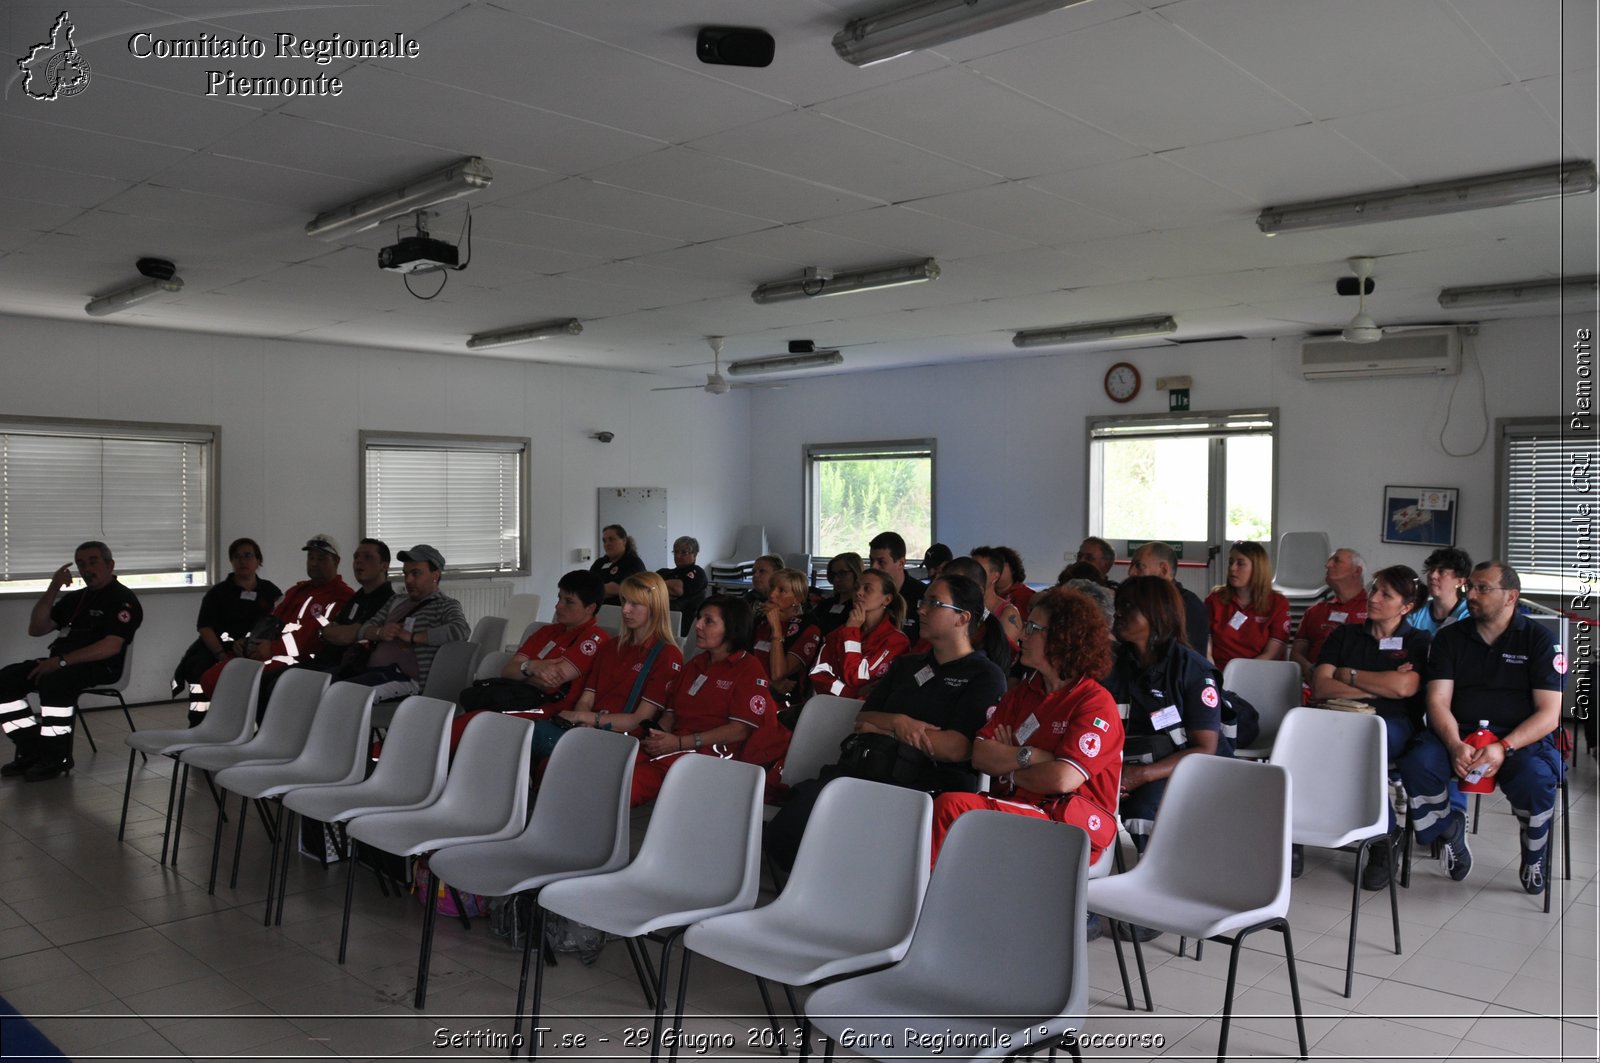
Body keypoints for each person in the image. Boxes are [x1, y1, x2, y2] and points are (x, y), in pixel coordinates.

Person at [767, 574, 1006, 871]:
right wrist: (901, 723)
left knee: (852, 824)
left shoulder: (983, 675)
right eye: (923, 601)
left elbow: (956, 748)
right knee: (802, 810)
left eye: (934, 603)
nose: (921, 609)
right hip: (868, 767)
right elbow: (864, 718)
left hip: (925, 784)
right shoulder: (908, 665)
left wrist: (888, 730)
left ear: (962, 618)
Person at [1398, 562, 1565, 893]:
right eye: (1469, 588)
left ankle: (1534, 853)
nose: (1471, 595)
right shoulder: (1449, 638)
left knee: (1537, 778)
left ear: (1511, 597)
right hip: (1457, 734)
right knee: (1417, 764)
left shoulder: (1539, 641)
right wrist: (1454, 744)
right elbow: (1438, 703)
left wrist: (1503, 748)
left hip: (1519, 740)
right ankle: (1449, 830)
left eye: (1482, 588)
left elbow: (1549, 715)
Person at [929, 587, 1124, 868]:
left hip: (1067, 826)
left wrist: (1008, 769)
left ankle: (924, 902)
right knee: (935, 808)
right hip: (1019, 810)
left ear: (1063, 638)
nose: (1022, 635)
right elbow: (981, 755)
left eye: (1032, 628)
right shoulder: (1025, 691)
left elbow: (1062, 780)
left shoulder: (1094, 703)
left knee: (953, 807)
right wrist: (1031, 756)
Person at [1312, 565, 1432, 889]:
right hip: (1337, 720)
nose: (1373, 597)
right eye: (1374, 589)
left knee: (1363, 751)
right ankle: (1294, 835)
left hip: (1391, 725)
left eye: (1385, 594)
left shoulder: (1418, 640)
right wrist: (1379, 685)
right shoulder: (1345, 635)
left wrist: (1348, 674)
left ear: (1406, 607)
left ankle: (1384, 838)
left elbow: (1405, 689)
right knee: (1300, 748)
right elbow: (1321, 686)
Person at [0, 542, 142, 781]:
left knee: (55, 681)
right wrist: (53, 587)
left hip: (101, 667)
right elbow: (37, 628)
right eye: (81, 564)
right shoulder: (77, 599)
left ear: (110, 564)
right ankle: (32, 747)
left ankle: (57, 758)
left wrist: (62, 662)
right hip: (61, 663)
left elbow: (111, 645)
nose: (87, 569)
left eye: (93, 562)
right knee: (6, 680)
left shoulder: (123, 600)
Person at [1105, 577, 1226, 857]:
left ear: (1155, 614)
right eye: (1117, 605)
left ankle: (1162, 873)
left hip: (1182, 769)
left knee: (1142, 809)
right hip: (1126, 763)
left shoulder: (1192, 670)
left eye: (1127, 606)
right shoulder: (1114, 662)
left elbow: (1205, 749)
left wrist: (1141, 775)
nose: (1118, 613)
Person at [189, 534, 354, 721]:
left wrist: (272, 649)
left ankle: (249, 735)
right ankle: (224, 730)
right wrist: (250, 643)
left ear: (337, 561)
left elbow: (312, 640)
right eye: (311, 557)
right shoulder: (297, 590)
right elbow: (271, 621)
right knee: (211, 677)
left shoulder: (342, 597)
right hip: (266, 652)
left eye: (321, 558)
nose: (314, 563)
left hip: (298, 659)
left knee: (237, 681)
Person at [629, 596, 775, 806]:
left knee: (633, 779)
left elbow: (739, 730)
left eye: (708, 621)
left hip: (715, 753)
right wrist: (658, 737)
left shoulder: (748, 669)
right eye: (699, 618)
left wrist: (678, 743)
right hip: (679, 745)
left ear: (731, 628)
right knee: (620, 762)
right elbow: (671, 714)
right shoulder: (696, 664)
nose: (697, 625)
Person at [544, 571, 683, 758]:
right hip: (591, 731)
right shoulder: (610, 646)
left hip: (623, 742)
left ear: (654, 607)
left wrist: (584, 718)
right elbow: (586, 700)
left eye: (634, 604)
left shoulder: (666, 655)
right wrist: (585, 723)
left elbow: (639, 720)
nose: (625, 609)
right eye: (624, 601)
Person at [170, 537, 283, 715]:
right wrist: (221, 654)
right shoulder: (217, 593)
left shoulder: (271, 592)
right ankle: (200, 721)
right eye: (237, 557)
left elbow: (279, 624)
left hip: (256, 649)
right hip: (218, 648)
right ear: (231, 561)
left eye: (248, 556)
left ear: (258, 560)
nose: (242, 561)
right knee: (199, 666)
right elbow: (204, 627)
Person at [344, 545, 469, 701]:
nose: (408, 580)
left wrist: (414, 637)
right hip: (373, 672)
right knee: (328, 689)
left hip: (406, 679)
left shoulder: (444, 605)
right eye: (406, 573)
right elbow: (364, 630)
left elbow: (461, 630)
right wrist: (380, 632)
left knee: (344, 696)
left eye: (415, 573)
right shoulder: (396, 600)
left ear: (435, 575)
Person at [808, 568, 910, 701]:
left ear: (887, 599)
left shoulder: (896, 641)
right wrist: (849, 692)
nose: (858, 593)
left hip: (870, 714)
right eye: (856, 588)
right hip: (833, 708)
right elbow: (817, 673)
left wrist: (852, 633)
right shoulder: (841, 632)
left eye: (867, 589)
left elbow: (856, 677)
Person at [300, 537, 396, 678]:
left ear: (384, 565)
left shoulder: (388, 600)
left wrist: (338, 632)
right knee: (273, 679)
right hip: (323, 662)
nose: (358, 561)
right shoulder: (358, 596)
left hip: (348, 670)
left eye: (367, 557)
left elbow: (349, 635)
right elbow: (328, 630)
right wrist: (331, 632)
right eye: (356, 557)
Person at [1206, 541, 1290, 672]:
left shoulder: (1277, 603)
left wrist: (1238, 675)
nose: (1232, 568)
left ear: (1257, 568)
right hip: (1218, 672)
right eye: (1230, 562)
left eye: (1240, 563)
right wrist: (1213, 672)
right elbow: (1206, 644)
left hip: (1259, 673)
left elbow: (1272, 653)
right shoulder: (1215, 599)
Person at [1291, 548, 1368, 687]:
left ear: (1357, 571)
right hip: (1312, 685)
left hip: (1357, 687)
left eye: (1336, 561)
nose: (1328, 565)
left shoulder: (1374, 610)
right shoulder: (1315, 611)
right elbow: (1296, 653)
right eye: (1329, 561)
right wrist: (1309, 669)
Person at [754, 568, 823, 717]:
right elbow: (744, 664)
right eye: (772, 587)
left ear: (798, 598)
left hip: (787, 706)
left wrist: (777, 630)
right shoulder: (760, 623)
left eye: (781, 591)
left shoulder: (809, 628)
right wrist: (769, 683)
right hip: (754, 692)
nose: (772, 595)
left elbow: (779, 673)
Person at [1128, 541, 1208, 657]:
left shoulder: (1189, 605)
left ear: (1164, 570)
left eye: (1139, 566)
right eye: (1131, 566)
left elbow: (1185, 660)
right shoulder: (1139, 601)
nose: (1131, 573)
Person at [869, 530, 925, 640]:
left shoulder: (922, 595)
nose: (873, 567)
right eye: (871, 561)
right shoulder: (867, 594)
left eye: (881, 562)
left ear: (901, 563)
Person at [1411, 546, 1473, 635]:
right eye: (1431, 570)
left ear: (1459, 582)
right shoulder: (1416, 611)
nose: (1432, 576)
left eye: (1441, 571)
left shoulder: (1468, 614)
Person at [657, 535, 708, 635]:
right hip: (660, 622)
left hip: (684, 628)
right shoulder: (664, 572)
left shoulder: (698, 573)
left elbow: (677, 589)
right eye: (675, 552)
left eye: (684, 552)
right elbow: (645, 587)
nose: (678, 556)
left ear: (695, 555)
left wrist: (657, 587)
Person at [806, 552, 863, 637]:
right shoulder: (825, 604)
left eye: (843, 573)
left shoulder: (859, 608)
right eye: (834, 574)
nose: (836, 579)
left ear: (856, 572)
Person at [592, 523, 646, 603]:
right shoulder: (600, 562)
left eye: (611, 539)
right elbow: (588, 582)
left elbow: (618, 588)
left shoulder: (633, 562)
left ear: (624, 541)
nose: (607, 544)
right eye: (604, 541)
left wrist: (590, 590)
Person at [990, 545, 1034, 613]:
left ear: (1012, 568)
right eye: (991, 566)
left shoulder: (1026, 595)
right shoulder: (983, 596)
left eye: (999, 564)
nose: (994, 569)